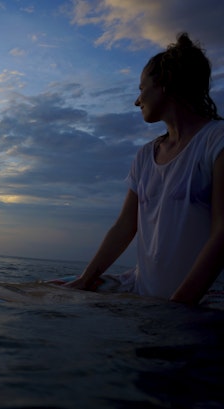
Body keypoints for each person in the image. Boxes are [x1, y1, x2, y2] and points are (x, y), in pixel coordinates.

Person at [64, 32, 224, 305]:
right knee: (52, 293)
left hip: (199, 304)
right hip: (144, 294)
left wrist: (179, 304)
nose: (137, 101)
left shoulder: (216, 141)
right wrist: (85, 279)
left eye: (141, 89)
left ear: (165, 84)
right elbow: (125, 227)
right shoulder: (144, 156)